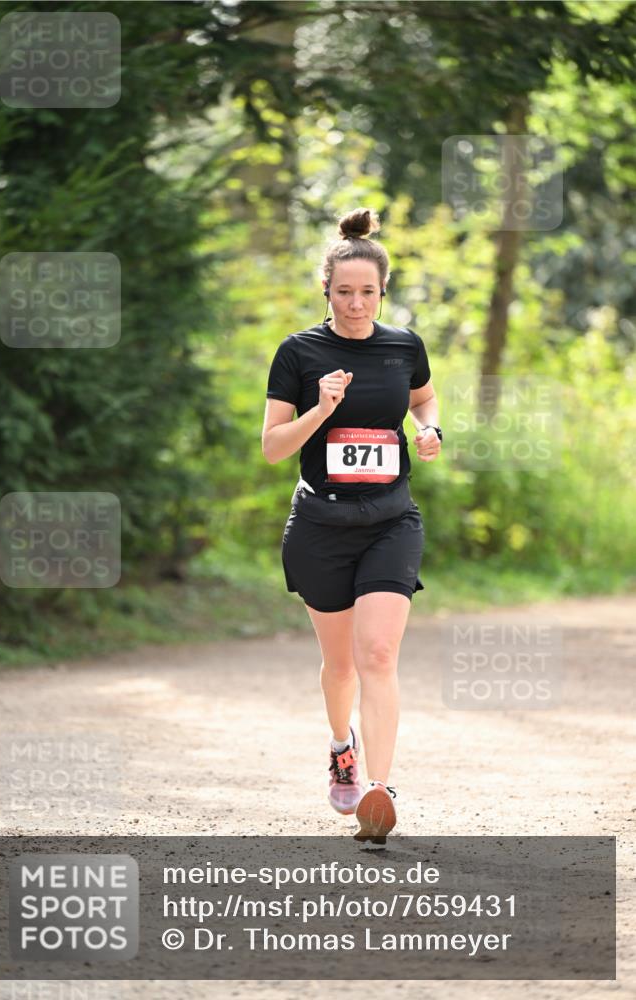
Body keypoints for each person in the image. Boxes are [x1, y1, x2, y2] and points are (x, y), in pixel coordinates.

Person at [262, 207, 442, 845]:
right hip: (320, 523)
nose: (356, 303)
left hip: (391, 519)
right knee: (339, 665)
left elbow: (422, 397)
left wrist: (429, 428)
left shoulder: (403, 346)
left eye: (368, 292)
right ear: (327, 291)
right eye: (344, 292)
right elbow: (274, 447)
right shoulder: (299, 352)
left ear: (383, 290)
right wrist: (321, 409)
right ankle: (343, 747)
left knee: (378, 654)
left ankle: (381, 790)